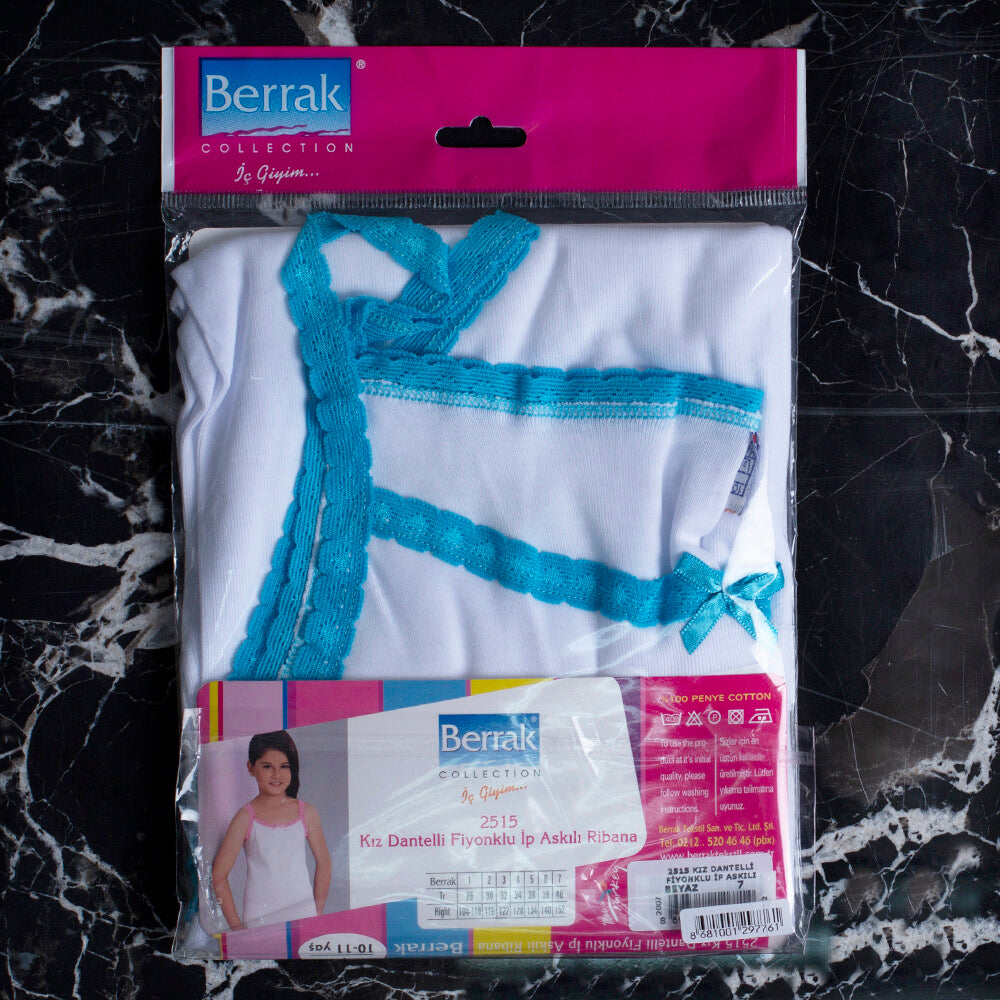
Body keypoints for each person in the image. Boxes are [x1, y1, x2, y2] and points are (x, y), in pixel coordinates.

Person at [212, 730, 331, 929]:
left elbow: (324, 863)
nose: (276, 774)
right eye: (267, 766)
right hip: (258, 916)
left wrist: (316, 911)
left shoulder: (307, 813)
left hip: (302, 914)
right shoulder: (245, 818)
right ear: (251, 768)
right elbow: (218, 875)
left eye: (284, 766)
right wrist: (237, 927)